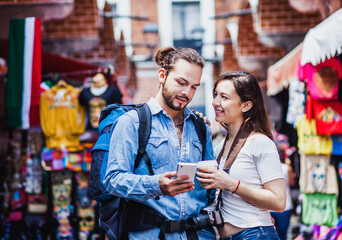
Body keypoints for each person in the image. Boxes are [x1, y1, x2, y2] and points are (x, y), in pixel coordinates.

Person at [103, 47, 215, 240]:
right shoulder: (131, 123)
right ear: (162, 75)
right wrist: (156, 185)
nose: (186, 92)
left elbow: (210, 188)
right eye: (181, 82)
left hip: (196, 235)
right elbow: (113, 180)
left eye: (194, 87)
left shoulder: (201, 127)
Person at [197, 72, 286, 240]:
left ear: (246, 105)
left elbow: (279, 201)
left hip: (255, 234)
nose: (215, 102)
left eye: (224, 97)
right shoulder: (220, 148)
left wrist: (231, 184)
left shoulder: (259, 142)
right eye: (215, 95)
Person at [270, 144, 295, 240]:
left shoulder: (268, 168)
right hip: (285, 206)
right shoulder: (286, 168)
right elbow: (292, 183)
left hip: (270, 207)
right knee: (283, 236)